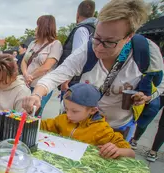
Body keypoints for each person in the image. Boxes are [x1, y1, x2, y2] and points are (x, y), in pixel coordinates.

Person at [23, 0, 164, 141]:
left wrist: (147, 97)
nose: (99, 47)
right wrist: (37, 95)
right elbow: (56, 75)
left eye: (109, 42)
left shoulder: (147, 52)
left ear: (128, 37)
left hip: (116, 129)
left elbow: (161, 85)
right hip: (79, 126)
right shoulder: (87, 49)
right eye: (97, 38)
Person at [41, 83, 135, 159]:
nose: (68, 114)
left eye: (75, 111)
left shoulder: (101, 129)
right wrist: (28, 118)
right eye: (66, 109)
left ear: (92, 110)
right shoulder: (63, 119)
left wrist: (117, 150)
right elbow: (43, 125)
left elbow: (130, 153)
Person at [21, 15, 63, 116]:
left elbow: (46, 67)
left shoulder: (55, 44)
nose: (36, 28)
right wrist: (26, 74)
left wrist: (30, 77)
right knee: (22, 112)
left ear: (44, 27)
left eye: (38, 25)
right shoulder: (32, 43)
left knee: (34, 112)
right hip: (26, 84)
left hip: (41, 86)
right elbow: (24, 61)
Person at [59, 0, 96, 96]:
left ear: (77, 14)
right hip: (86, 78)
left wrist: (66, 80)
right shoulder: (94, 30)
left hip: (74, 82)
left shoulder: (81, 30)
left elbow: (77, 57)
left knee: (67, 109)